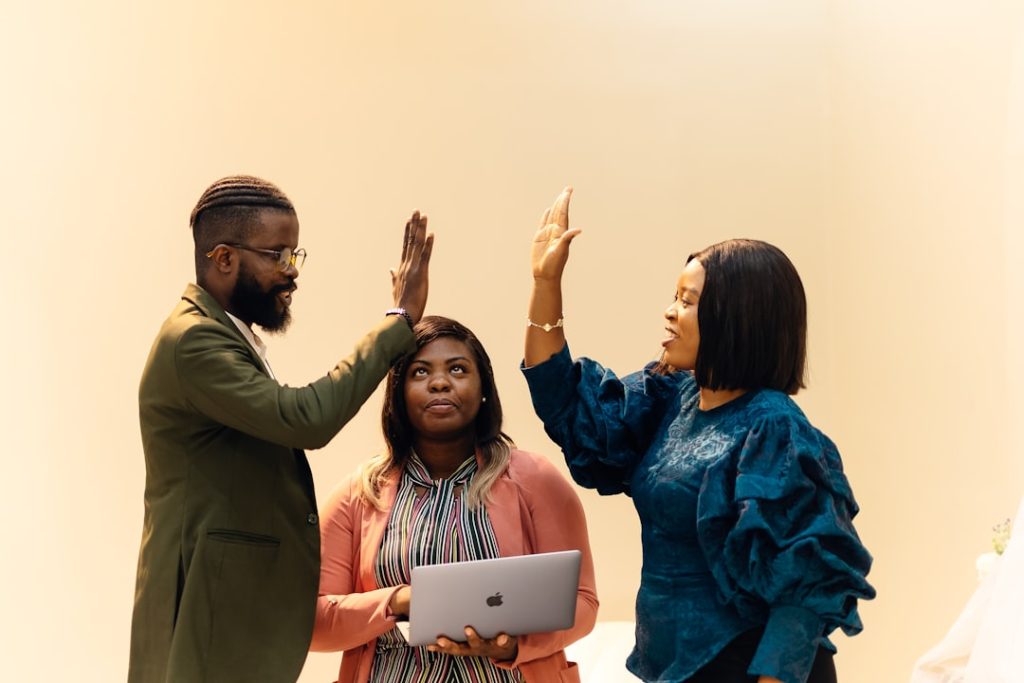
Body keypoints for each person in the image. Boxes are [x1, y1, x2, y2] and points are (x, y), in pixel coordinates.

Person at [520, 188, 875, 683]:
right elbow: (567, 403)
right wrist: (545, 281)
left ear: (735, 320)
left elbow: (804, 590)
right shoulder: (672, 394)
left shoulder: (774, 426)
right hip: (677, 665)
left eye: (687, 301)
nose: (669, 311)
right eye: (675, 297)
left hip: (750, 668)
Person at [128, 175, 433, 683]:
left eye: (296, 254)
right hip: (204, 616)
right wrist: (397, 322)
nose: (292, 272)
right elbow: (304, 418)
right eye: (277, 255)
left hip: (228, 614)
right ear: (223, 258)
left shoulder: (221, 334)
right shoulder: (194, 342)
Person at [310, 315, 598, 683]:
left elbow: (583, 602)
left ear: (483, 389)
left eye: (458, 369)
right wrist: (399, 602)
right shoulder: (359, 493)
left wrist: (511, 647)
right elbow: (314, 622)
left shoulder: (536, 480)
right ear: (398, 393)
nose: (440, 382)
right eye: (419, 373)